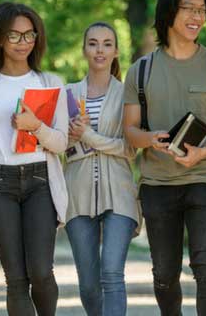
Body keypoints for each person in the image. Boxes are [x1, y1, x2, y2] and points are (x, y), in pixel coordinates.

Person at [122, 0, 206, 315]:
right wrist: (151, 139)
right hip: (157, 183)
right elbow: (130, 130)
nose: (197, 17)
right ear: (169, 12)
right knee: (164, 274)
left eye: (202, 10)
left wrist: (203, 152)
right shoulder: (141, 70)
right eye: (188, 8)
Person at [0, 2, 68, 316]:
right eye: (15, 36)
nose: (24, 42)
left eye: (29, 35)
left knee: (41, 272)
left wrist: (35, 126)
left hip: (39, 181)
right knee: (17, 279)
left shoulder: (51, 82)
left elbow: (61, 143)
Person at [63, 22, 140, 316]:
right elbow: (58, 148)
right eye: (93, 43)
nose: (100, 49)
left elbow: (130, 148)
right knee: (89, 285)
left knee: (111, 273)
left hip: (119, 194)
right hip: (77, 195)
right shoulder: (67, 94)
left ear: (116, 51)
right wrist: (69, 137)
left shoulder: (127, 95)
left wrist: (88, 136)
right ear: (84, 49)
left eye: (107, 44)